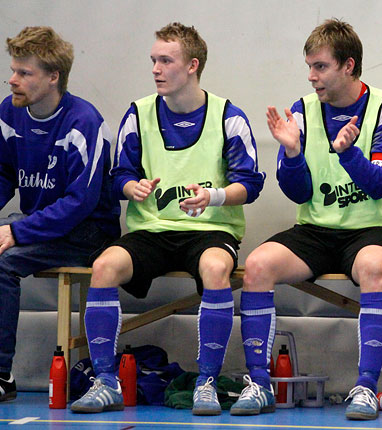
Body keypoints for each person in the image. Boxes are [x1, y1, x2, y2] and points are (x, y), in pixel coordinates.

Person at [70, 22, 265, 416]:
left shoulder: (229, 116)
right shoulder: (138, 113)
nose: (156, 69)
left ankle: (206, 380)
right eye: (153, 60)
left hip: (210, 230)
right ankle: (106, 381)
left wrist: (214, 196)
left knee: (215, 268)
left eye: (166, 60)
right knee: (104, 265)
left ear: (192, 65)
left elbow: (251, 183)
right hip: (153, 232)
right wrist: (131, 188)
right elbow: (119, 174)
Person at [229, 18, 382, 421]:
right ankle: (259, 384)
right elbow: (299, 194)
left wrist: (349, 154)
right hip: (316, 229)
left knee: (373, 268)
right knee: (257, 266)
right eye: (309, 66)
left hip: (372, 230)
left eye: (320, 67)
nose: (311, 77)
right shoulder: (302, 111)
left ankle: (365, 387)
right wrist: (292, 153)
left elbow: (381, 185)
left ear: (348, 65)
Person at [0, 26, 120, 402]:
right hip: (41, 224)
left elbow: (79, 204)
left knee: (4, 263)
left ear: (53, 77)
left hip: (87, 232)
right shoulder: (10, 112)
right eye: (13, 70)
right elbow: (3, 174)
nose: (12, 79)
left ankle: (1, 375)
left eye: (24, 73)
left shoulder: (84, 121)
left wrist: (17, 233)